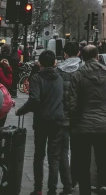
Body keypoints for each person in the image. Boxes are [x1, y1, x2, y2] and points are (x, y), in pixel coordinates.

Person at [68, 44, 106, 195]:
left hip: (82, 125)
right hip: (103, 123)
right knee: (103, 157)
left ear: (82, 57)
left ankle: (85, 190)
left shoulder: (77, 75)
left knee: (83, 160)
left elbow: (72, 102)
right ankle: (103, 184)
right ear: (97, 56)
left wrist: (75, 119)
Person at [16, 49, 65, 195]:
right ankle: (52, 189)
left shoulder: (37, 78)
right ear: (54, 63)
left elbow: (34, 99)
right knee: (54, 157)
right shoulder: (59, 77)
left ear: (40, 63)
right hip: (57, 120)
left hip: (42, 121)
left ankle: (38, 189)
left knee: (39, 155)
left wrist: (21, 111)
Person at [57, 41, 83, 194]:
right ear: (78, 53)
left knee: (63, 152)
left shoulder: (58, 70)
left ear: (65, 54)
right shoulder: (83, 69)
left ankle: (67, 183)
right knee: (77, 150)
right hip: (79, 116)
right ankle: (75, 180)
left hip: (63, 116)